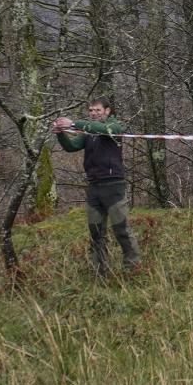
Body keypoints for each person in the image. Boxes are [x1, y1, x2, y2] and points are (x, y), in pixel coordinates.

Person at [52, 99, 140, 277]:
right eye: (91, 110)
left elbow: (108, 131)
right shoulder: (87, 131)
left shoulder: (114, 125)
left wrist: (74, 123)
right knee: (96, 233)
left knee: (121, 229)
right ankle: (98, 272)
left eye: (97, 110)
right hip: (94, 187)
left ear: (107, 111)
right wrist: (60, 133)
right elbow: (72, 146)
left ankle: (133, 268)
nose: (93, 113)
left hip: (113, 186)